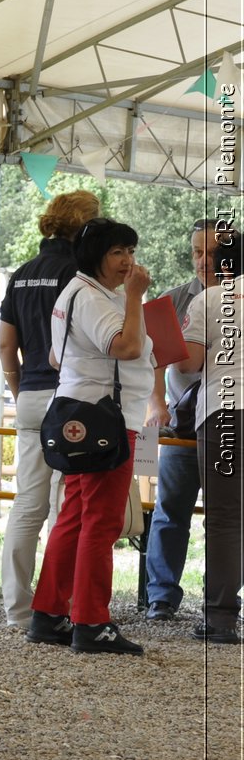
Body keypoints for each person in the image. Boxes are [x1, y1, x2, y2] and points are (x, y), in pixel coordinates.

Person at [26, 216, 157, 656]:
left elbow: (53, 354)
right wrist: (136, 299)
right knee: (99, 522)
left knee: (76, 515)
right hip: (108, 418)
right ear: (95, 256)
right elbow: (126, 347)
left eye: (130, 251)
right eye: (118, 252)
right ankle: (92, 622)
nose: (128, 262)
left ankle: (49, 614)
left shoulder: (75, 293)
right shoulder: (97, 298)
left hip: (78, 411)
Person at [0, 190, 102, 628]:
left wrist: (21, 392)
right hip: (71, 399)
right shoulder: (80, 276)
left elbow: (6, 346)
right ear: (87, 229)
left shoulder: (20, 274)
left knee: (26, 505)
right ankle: (60, 607)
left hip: (31, 398)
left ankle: (17, 611)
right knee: (67, 508)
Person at [144, 218, 226, 621]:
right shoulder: (172, 300)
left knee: (226, 516)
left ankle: (221, 602)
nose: (202, 261)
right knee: (169, 511)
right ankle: (160, 597)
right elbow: (155, 360)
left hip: (224, 423)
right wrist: (156, 402)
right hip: (181, 424)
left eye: (211, 252)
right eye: (197, 251)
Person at [176, 224, 242, 644]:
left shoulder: (209, 299)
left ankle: (220, 620)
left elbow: (190, 364)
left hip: (223, 413)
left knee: (225, 520)